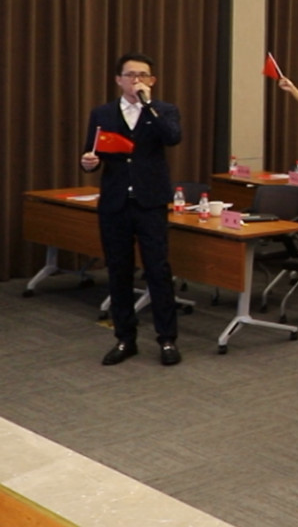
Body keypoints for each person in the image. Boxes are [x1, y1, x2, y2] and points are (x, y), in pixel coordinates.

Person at [80, 54, 184, 367]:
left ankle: (167, 339)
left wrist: (148, 106)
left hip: (150, 202)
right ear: (118, 80)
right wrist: (88, 162)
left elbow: (173, 138)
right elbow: (91, 154)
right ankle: (125, 338)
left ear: (152, 81)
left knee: (157, 270)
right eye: (130, 75)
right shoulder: (102, 113)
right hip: (115, 203)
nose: (136, 80)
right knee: (119, 270)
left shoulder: (164, 110)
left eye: (143, 75)